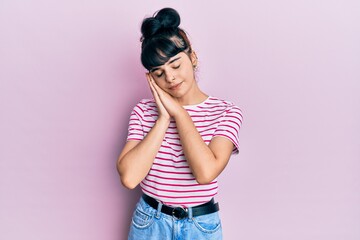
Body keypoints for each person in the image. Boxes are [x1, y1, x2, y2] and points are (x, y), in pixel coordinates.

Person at [116, 7, 243, 240]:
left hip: (200, 226)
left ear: (192, 57)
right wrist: (164, 118)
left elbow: (205, 173)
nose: (170, 78)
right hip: (149, 223)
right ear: (150, 78)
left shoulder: (226, 112)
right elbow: (130, 177)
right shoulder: (144, 112)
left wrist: (180, 114)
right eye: (158, 73)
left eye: (175, 65)